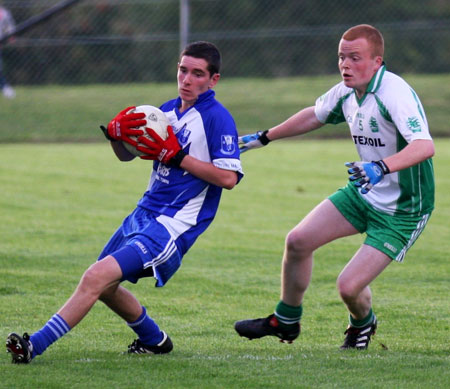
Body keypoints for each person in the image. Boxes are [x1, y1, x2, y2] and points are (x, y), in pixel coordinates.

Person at [6, 41, 243, 364]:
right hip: (143, 212)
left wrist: (178, 157)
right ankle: (154, 340)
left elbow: (227, 179)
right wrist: (117, 138)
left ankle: (34, 345)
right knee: (104, 287)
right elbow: (127, 157)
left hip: (172, 224)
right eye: (183, 70)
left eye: (197, 73)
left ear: (213, 80)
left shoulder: (217, 118)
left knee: (95, 277)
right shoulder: (165, 111)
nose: (187, 79)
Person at [234, 24, 434, 350]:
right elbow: (315, 115)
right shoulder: (347, 91)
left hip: (403, 209)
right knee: (298, 241)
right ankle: (285, 320)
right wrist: (264, 137)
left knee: (348, 287)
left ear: (376, 61)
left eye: (355, 58)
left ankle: (362, 324)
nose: (345, 65)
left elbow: (425, 146)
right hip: (365, 192)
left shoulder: (394, 94)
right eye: (342, 57)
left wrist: (380, 167)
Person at [0, 5, 15, 98]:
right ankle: (5, 87)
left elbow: (10, 26)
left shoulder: (4, 13)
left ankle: (5, 87)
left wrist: (11, 36)